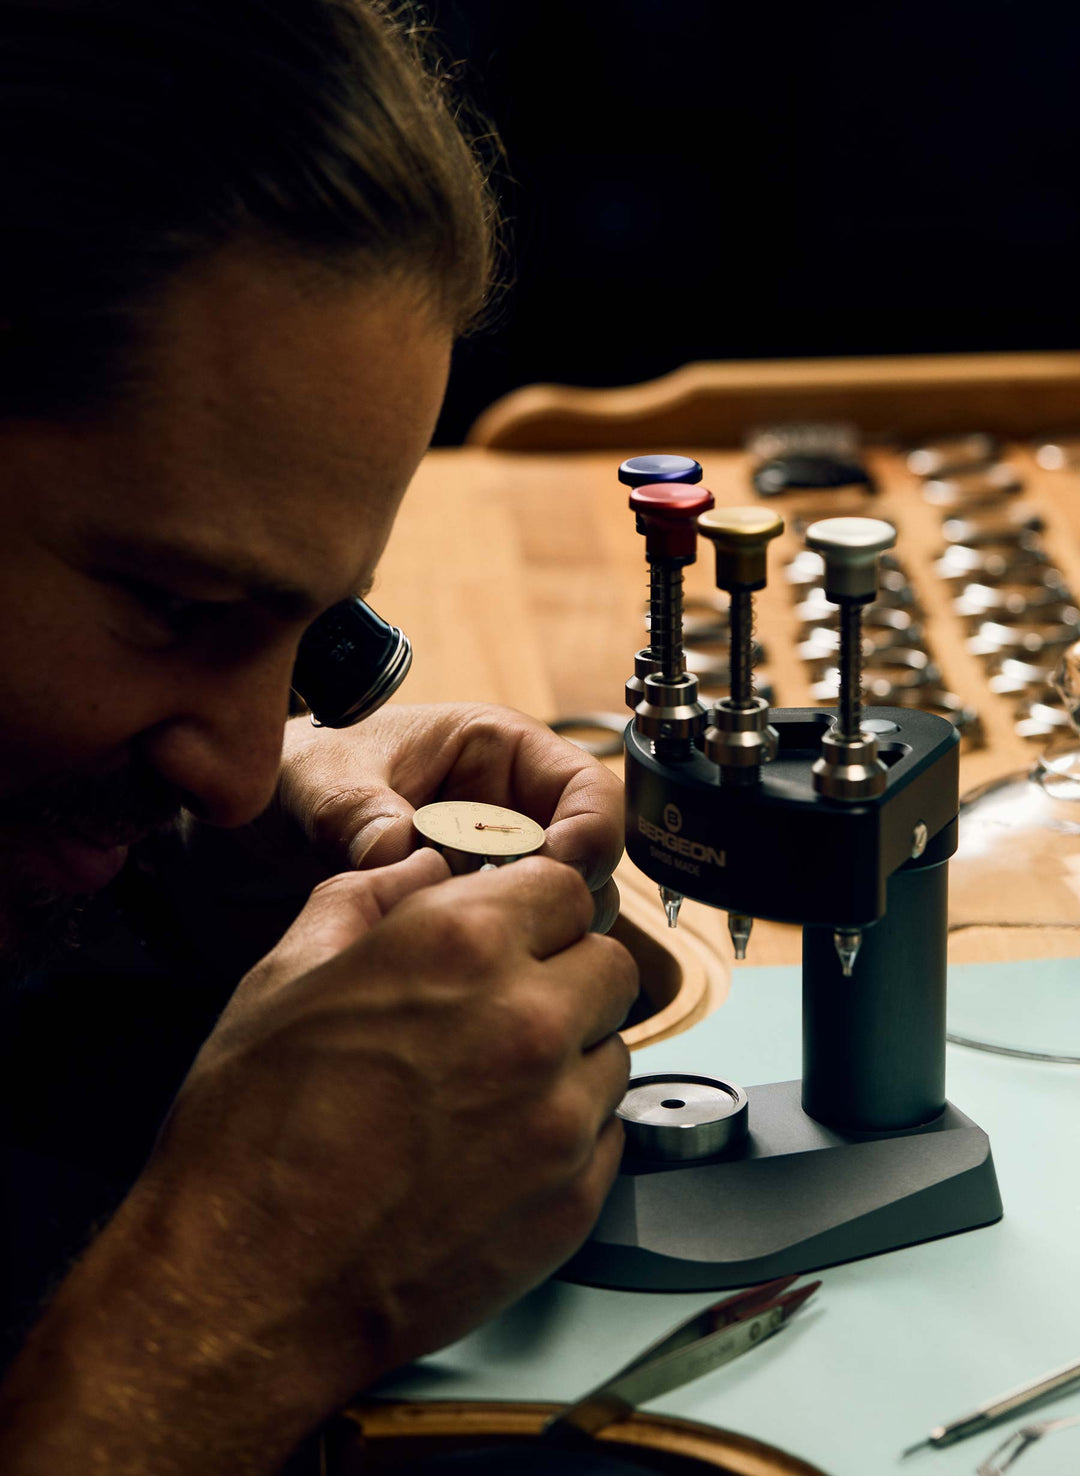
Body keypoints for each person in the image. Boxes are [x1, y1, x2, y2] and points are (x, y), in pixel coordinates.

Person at [0, 2, 636, 1470]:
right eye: (178, 605)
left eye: (311, 644)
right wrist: (237, 1289)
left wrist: (159, 869)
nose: (237, 771)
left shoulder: (220, 790)